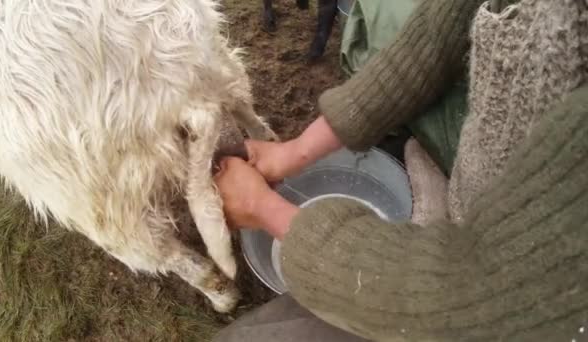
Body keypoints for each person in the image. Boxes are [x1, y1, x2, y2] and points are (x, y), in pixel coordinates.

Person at [214, 0, 588, 341]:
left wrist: (267, 210)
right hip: (482, 204)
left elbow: (484, 299)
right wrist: (296, 152)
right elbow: (435, 38)